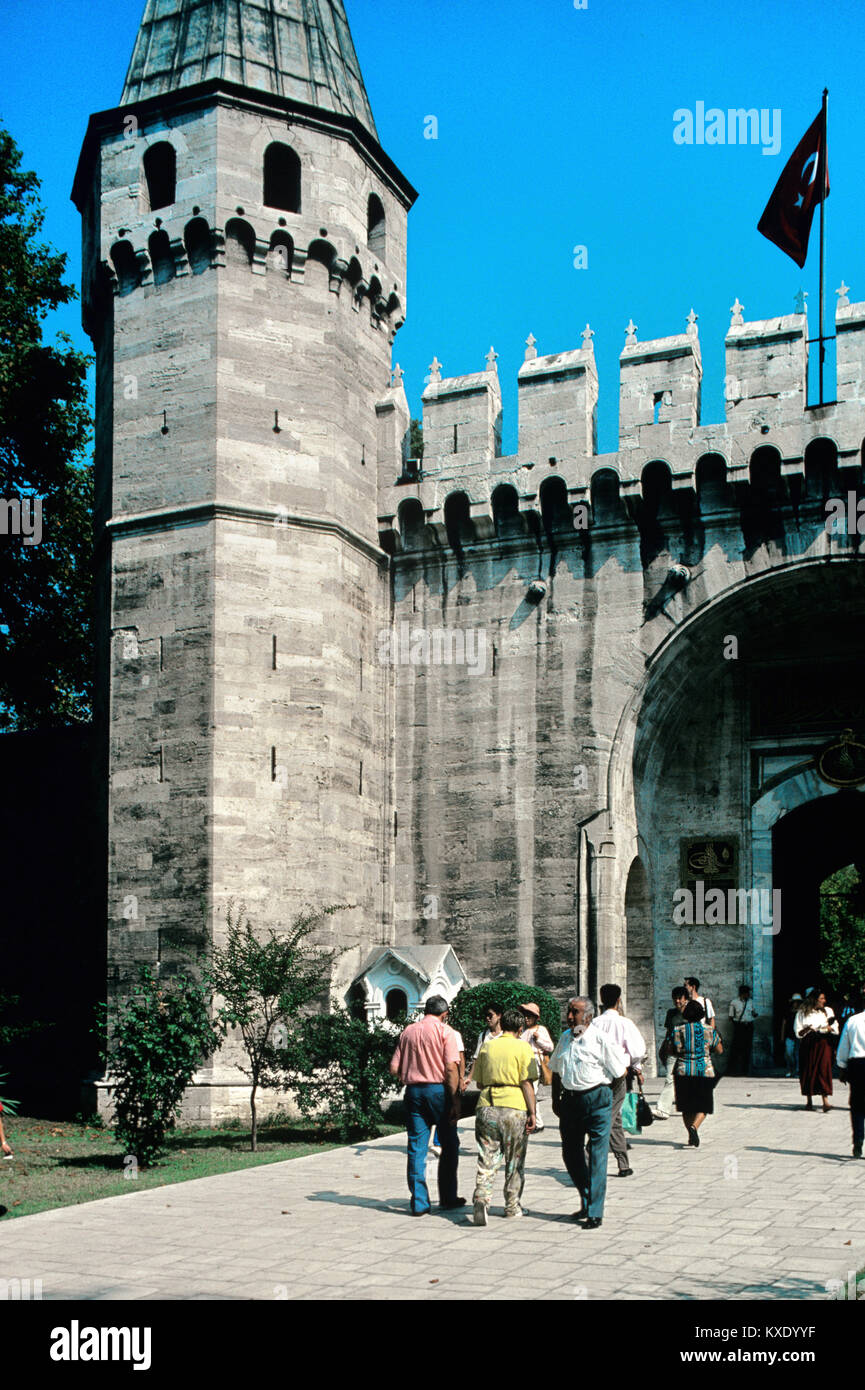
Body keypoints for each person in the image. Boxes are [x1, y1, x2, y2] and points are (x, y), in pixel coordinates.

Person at [550, 995, 627, 1229]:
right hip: (571, 1102)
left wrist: (605, 1100)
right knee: (570, 1154)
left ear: (589, 1016)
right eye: (569, 1011)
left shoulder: (601, 1039)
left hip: (597, 1099)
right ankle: (586, 1197)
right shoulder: (565, 1039)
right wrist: (556, 1100)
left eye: (575, 1012)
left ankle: (595, 1211)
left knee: (597, 1155)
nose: (570, 1017)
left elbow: (619, 1073)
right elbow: (555, 1070)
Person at [389, 995, 465, 1215]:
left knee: (416, 1147)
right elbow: (451, 1068)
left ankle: (419, 1202)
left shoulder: (408, 1031)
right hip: (438, 1091)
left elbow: (394, 1068)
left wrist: (409, 1075)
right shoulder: (445, 1031)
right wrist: (454, 1101)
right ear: (444, 1014)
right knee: (449, 1144)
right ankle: (448, 1196)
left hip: (414, 1092)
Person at [470, 1008, 538, 1224]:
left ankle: (482, 1197)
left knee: (487, 1157)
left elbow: (479, 1082)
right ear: (520, 1028)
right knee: (514, 1160)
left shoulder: (488, 1045)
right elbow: (527, 1082)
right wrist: (533, 1112)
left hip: (487, 1105)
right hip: (514, 1106)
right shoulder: (523, 1047)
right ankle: (512, 1205)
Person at [593, 983, 646, 1176]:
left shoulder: (595, 1023)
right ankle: (590, 1153)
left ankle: (623, 1163)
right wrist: (637, 1068)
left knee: (613, 1116)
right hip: (618, 1074)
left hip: (598, 1074)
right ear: (618, 1000)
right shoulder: (624, 1023)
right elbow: (638, 1051)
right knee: (610, 1115)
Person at [670, 1000, 723, 1147]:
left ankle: (690, 1134)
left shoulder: (678, 1029)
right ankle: (694, 1128)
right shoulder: (709, 1030)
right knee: (703, 1105)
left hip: (683, 1070)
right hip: (704, 1071)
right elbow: (719, 1050)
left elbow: (672, 1050)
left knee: (686, 1106)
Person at [795, 989, 839, 1112]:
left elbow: (835, 1026)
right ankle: (809, 1101)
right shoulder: (802, 1012)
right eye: (821, 999)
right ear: (814, 1000)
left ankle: (825, 1102)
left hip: (824, 1044)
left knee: (823, 1069)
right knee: (808, 1070)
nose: (824, 1001)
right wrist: (808, 1029)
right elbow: (798, 1031)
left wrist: (826, 1028)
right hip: (808, 1045)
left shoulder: (828, 1011)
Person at [430, 1023, 466, 1157]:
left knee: (449, 1110)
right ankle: (440, 1142)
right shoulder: (434, 1034)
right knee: (447, 1109)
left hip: (449, 1077)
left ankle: (447, 1142)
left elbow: (460, 1058)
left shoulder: (454, 1034)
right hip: (441, 1078)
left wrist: (461, 1078)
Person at [836, 994, 865, 1158]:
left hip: (858, 1065)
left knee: (857, 1106)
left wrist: (842, 1066)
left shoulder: (853, 1021)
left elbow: (844, 1046)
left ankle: (858, 1141)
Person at [519, 1001, 554, 1132]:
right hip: (525, 1063)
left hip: (535, 1063)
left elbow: (550, 1046)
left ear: (536, 1018)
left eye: (530, 1016)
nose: (526, 1018)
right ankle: (536, 1120)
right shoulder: (523, 1032)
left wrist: (539, 1039)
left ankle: (538, 1122)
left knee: (531, 1092)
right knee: (531, 1092)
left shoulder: (540, 1030)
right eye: (525, 1015)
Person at [655, 986, 688, 1119]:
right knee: (670, 1079)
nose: (677, 1001)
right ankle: (663, 1110)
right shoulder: (671, 1013)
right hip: (673, 1051)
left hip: (687, 1052)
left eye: (680, 998)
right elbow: (668, 1032)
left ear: (686, 998)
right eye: (675, 998)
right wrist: (664, 1047)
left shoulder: (692, 1013)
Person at [464, 1004, 503, 1088]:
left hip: (502, 1078)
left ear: (499, 1015)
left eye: (490, 1015)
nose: (487, 1018)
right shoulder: (483, 1035)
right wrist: (469, 1078)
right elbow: (476, 1058)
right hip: (486, 1080)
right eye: (486, 1016)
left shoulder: (505, 1035)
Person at [728, 985, 759, 1075]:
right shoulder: (734, 1002)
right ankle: (733, 1070)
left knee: (747, 1048)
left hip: (749, 1026)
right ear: (743, 993)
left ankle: (745, 1070)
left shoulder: (750, 1002)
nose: (749, 995)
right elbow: (731, 1016)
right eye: (747, 993)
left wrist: (754, 1014)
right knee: (736, 1048)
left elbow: (753, 1012)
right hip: (739, 1026)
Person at [781, 993, 803, 1076]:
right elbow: (784, 1024)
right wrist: (782, 1036)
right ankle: (790, 1068)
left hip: (798, 1035)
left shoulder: (801, 1012)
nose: (796, 1003)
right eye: (795, 1002)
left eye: (798, 1002)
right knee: (788, 1053)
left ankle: (797, 1070)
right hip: (789, 1035)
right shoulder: (788, 1012)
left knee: (798, 1054)